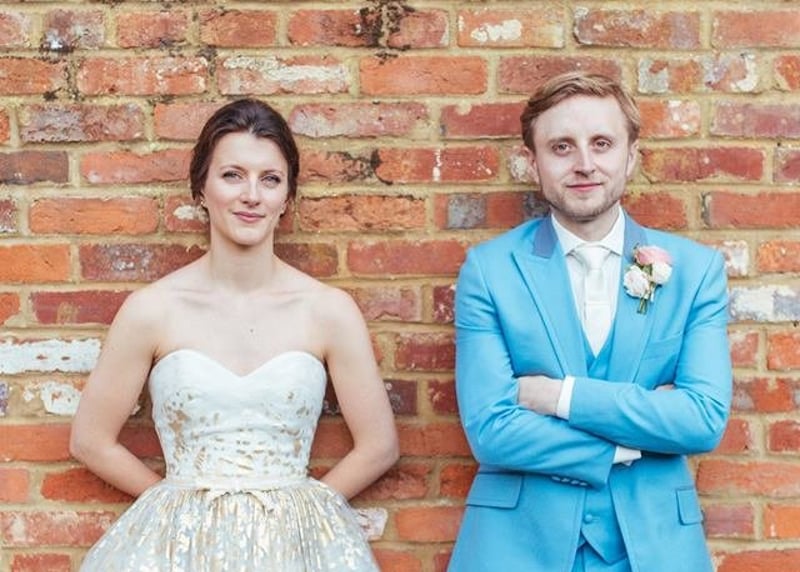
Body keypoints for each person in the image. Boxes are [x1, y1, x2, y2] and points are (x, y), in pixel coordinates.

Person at [70, 98, 399, 571]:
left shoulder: (328, 311)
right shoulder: (152, 310)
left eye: (270, 179)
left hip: (293, 549)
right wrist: (176, 509)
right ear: (201, 188)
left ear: (287, 198)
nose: (252, 195)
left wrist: (304, 511)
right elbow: (91, 440)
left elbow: (379, 445)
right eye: (232, 175)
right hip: (180, 550)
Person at [448, 72, 731, 572]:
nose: (584, 164)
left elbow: (702, 419)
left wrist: (560, 397)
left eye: (602, 143)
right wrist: (630, 441)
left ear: (631, 155)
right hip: (517, 546)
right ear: (533, 162)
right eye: (561, 146)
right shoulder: (490, 270)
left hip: (654, 547)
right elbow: (491, 430)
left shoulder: (694, 271)